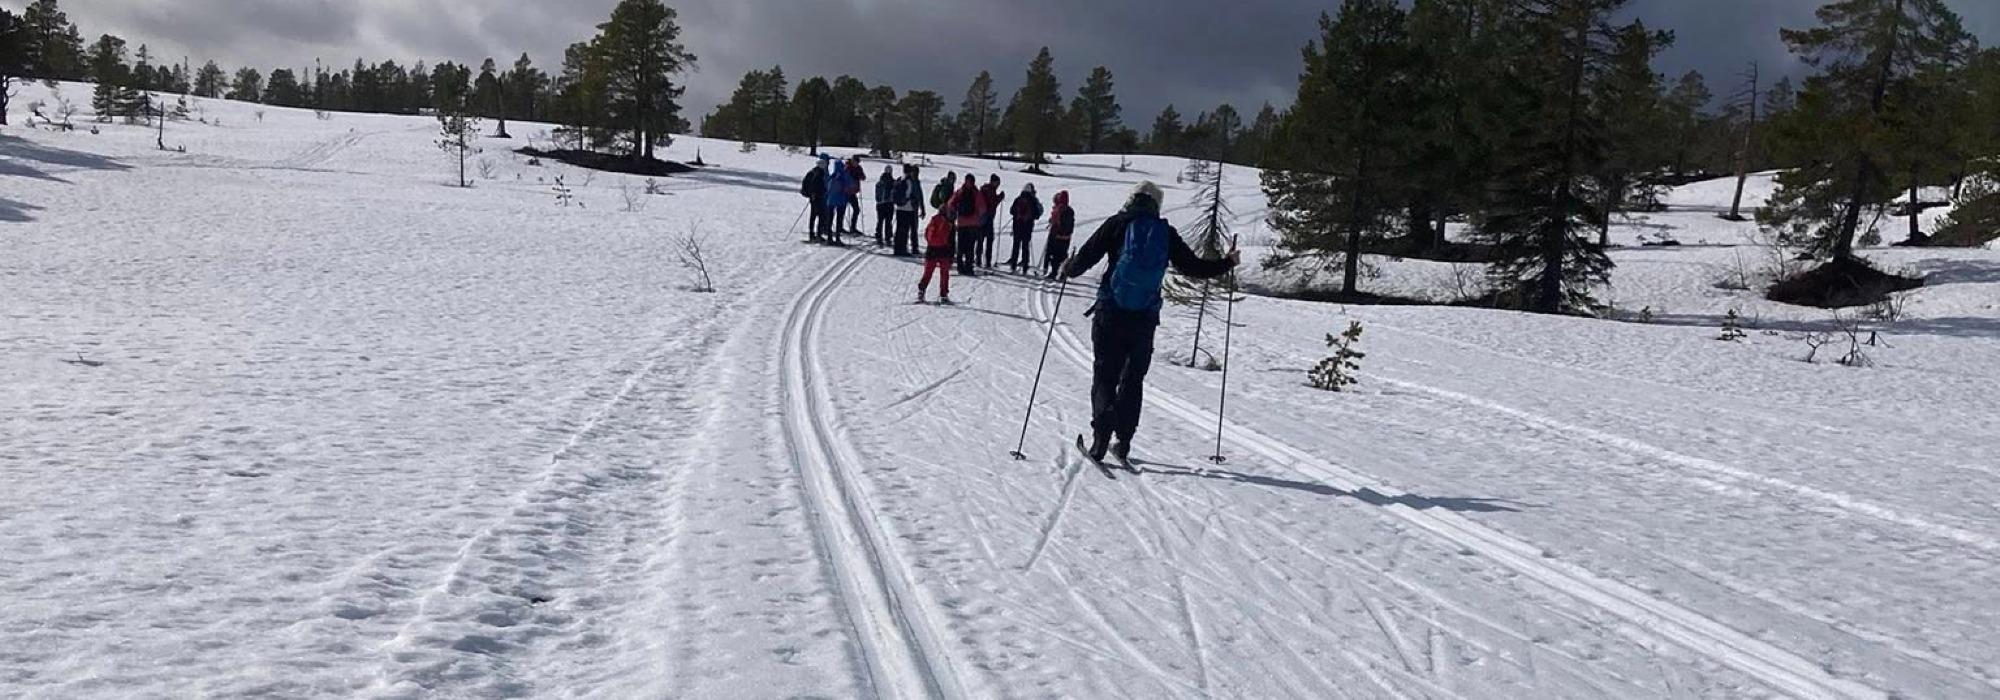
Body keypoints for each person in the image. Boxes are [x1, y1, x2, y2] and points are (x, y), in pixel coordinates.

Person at [1062, 181, 1239, 463]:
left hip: (1110, 310)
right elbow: (1193, 267)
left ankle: (1100, 437)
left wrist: (1069, 268)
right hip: (1144, 317)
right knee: (1133, 378)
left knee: (1105, 374)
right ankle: (1124, 441)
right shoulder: (1165, 232)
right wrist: (1227, 262)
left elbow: (1084, 260)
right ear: (1157, 204)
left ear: (1131, 198)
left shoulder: (1116, 224)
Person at [946, 176, 987, 276]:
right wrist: (979, 218)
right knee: (970, 247)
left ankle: (960, 267)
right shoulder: (976, 193)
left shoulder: (960, 192)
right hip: (973, 224)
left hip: (961, 223)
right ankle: (969, 267)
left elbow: (950, 203)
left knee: (960, 246)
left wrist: (955, 211)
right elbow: (983, 208)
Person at [917, 213, 955, 304]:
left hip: (931, 249)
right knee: (944, 273)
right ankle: (943, 295)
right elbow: (952, 241)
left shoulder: (934, 219)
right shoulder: (950, 224)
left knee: (928, 272)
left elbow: (927, 234)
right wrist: (952, 256)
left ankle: (921, 291)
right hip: (944, 250)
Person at [1005, 183, 1044, 274]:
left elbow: (1011, 211)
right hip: (1027, 227)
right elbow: (1037, 215)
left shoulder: (1018, 199)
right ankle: (1025, 266)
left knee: (1016, 246)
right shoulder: (1033, 200)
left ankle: (1013, 265)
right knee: (1025, 247)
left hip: (1017, 226)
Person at [893, 165, 926, 257]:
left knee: (899, 229)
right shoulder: (910, 181)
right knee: (905, 230)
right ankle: (903, 249)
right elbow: (912, 194)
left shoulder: (900, 179)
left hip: (899, 207)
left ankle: (897, 248)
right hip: (908, 208)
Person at [1043, 190, 1075, 279]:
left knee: (1054, 254)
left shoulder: (1058, 209)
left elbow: (1053, 222)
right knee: (1063, 255)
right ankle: (1063, 273)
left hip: (1056, 235)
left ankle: (1053, 272)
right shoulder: (1070, 210)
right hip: (1066, 237)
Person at [800, 155, 831, 243]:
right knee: (820, 216)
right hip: (818, 197)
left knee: (813, 216)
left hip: (813, 197)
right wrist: (821, 191)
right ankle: (818, 234)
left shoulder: (813, 171)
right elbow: (817, 185)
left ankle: (812, 234)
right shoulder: (819, 173)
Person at [979, 175, 1006, 269]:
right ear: (993, 182)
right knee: (989, 240)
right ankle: (987, 262)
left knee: (980, 240)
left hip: (981, 218)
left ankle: (978, 260)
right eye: (997, 183)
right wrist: (1000, 197)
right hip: (988, 218)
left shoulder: (983, 189)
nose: (998, 185)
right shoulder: (990, 190)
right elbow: (992, 204)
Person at [825, 160, 855, 246]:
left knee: (830, 219)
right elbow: (851, 186)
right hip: (841, 201)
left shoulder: (832, 175)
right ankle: (837, 238)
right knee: (839, 220)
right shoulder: (845, 176)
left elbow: (827, 187)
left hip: (830, 200)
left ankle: (829, 238)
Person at [874, 165, 897, 246]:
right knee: (888, 221)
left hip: (880, 204)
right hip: (889, 204)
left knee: (880, 221)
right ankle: (887, 237)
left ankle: (879, 236)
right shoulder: (893, 182)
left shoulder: (880, 182)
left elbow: (877, 193)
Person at [845, 156, 868, 234]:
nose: (856, 164)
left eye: (857, 162)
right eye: (855, 162)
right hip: (846, 192)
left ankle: (853, 227)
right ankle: (839, 227)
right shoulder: (847, 167)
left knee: (856, 210)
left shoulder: (858, 168)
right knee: (841, 210)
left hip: (853, 192)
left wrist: (859, 175)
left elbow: (863, 177)